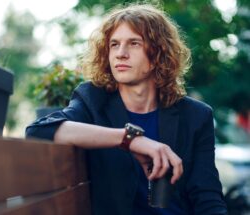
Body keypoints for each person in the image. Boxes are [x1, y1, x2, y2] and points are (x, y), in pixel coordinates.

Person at [26, 3, 227, 215]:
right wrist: (130, 139)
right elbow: (39, 131)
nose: (120, 54)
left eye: (134, 43)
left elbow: (207, 198)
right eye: (114, 44)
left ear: (159, 53)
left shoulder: (196, 116)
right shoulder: (94, 100)